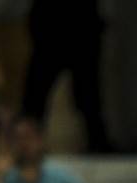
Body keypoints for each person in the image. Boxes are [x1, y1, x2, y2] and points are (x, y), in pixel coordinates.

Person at [22, 0, 111, 153]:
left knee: (89, 96)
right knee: (36, 97)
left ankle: (98, 142)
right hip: (51, 29)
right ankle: (26, 144)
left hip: (80, 29)